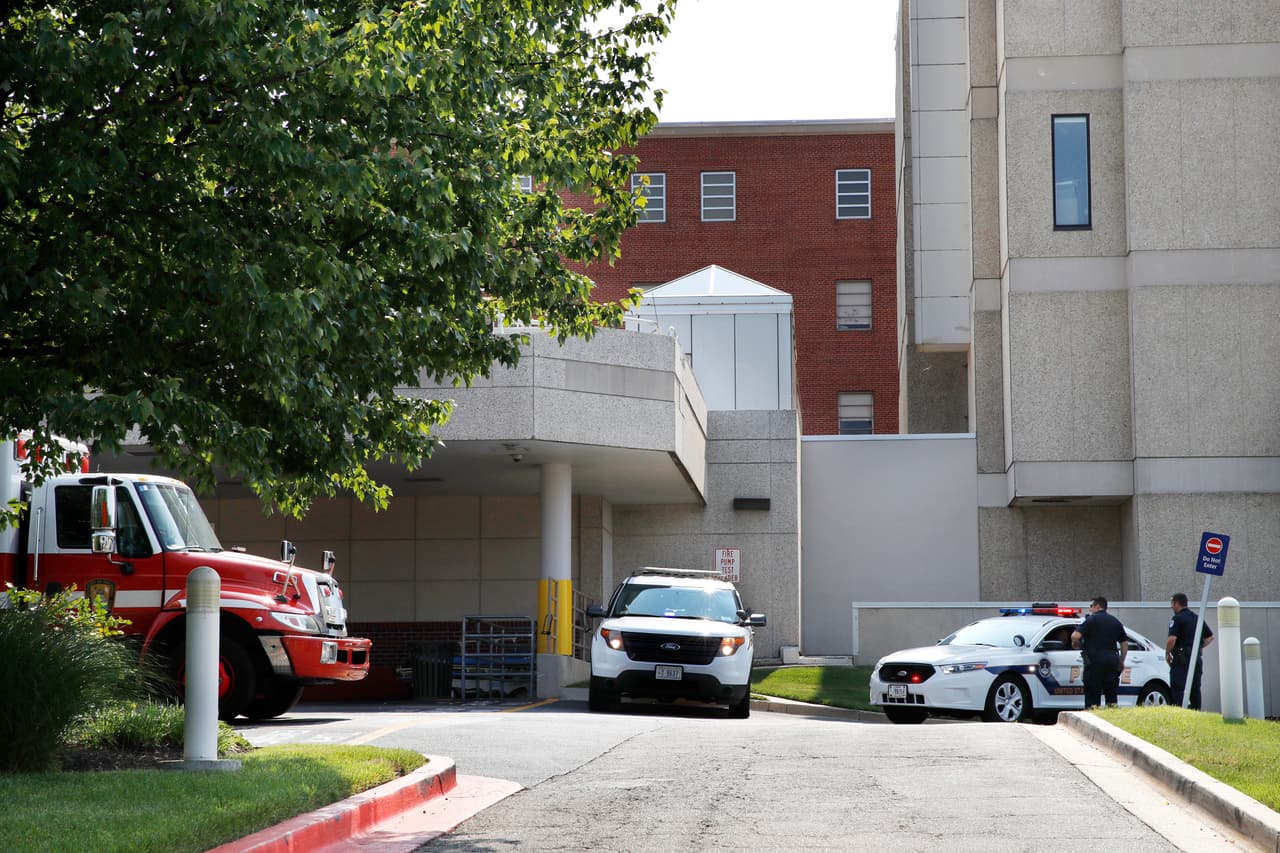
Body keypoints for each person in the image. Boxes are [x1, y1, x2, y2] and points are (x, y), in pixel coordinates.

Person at [1071, 596, 1128, 709]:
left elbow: (1075, 635)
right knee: (1111, 695)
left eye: (1091, 606)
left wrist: (1075, 643)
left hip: (1095, 662)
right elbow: (1124, 643)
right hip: (1112, 661)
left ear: (1098, 606)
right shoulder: (1115, 621)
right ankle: (1111, 718)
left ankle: (1093, 717)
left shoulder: (1091, 620)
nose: (1090, 609)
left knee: (1093, 695)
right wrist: (1121, 660)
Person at [1167, 593, 1215, 710]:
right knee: (1195, 689)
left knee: (1178, 688)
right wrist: (1197, 648)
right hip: (1196, 659)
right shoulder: (1196, 618)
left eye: (1172, 604)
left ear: (1177, 603)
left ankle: (1178, 713)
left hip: (1181, 659)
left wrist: (1167, 652)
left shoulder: (1177, 618)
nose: (1172, 607)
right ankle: (1196, 713)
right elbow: (1210, 637)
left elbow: (1172, 639)